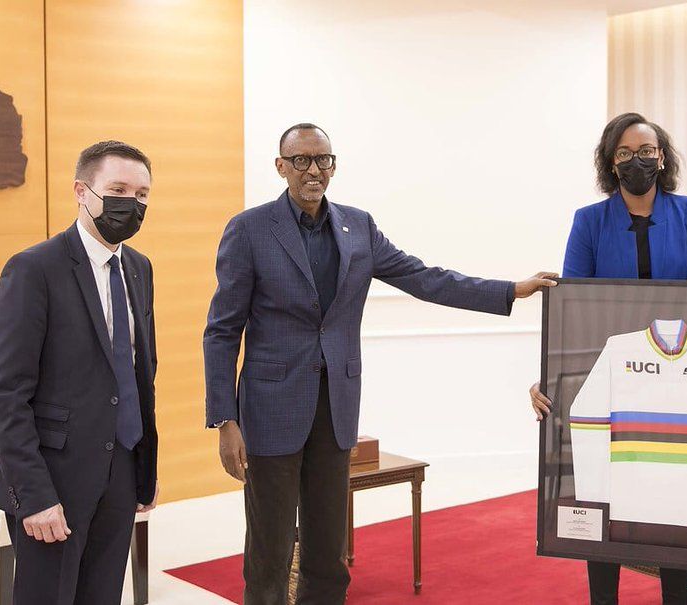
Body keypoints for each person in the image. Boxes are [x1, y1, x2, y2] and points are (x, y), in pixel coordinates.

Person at [204, 122, 557, 605]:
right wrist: (225, 419)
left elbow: (424, 277)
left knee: (329, 551)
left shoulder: (358, 227)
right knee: (269, 550)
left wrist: (509, 290)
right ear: (280, 167)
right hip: (269, 411)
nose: (314, 169)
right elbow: (222, 330)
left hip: (336, 408)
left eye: (323, 159)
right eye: (302, 160)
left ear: (334, 165)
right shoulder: (249, 230)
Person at [530, 113, 687, 605]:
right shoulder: (589, 221)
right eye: (624, 152)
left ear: (662, 157)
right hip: (613, 380)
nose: (636, 160)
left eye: (646, 150)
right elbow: (572, 307)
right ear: (610, 162)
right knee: (604, 496)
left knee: (672, 499)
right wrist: (547, 379)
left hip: (677, 380)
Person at [0, 141, 160, 605]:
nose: (132, 203)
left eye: (142, 194)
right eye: (118, 189)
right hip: (53, 476)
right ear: (83, 191)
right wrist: (35, 494)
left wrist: (143, 467)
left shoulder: (139, 269)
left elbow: (141, 374)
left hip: (120, 468)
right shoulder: (32, 269)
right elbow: (5, 395)